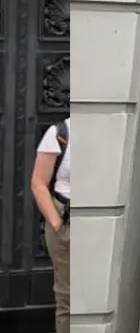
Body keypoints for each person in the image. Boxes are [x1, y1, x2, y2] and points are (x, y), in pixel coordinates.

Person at [32, 117, 70, 333]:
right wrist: (57, 224)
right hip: (67, 220)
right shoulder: (59, 133)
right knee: (68, 297)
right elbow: (38, 183)